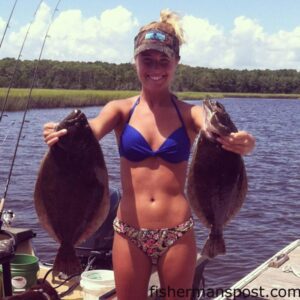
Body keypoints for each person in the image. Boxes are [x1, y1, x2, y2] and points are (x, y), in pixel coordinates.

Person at [43, 10, 255, 300]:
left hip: (177, 231)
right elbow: (88, 130)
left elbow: (221, 134)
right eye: (147, 59)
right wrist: (60, 132)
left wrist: (245, 142)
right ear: (135, 61)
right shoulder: (119, 110)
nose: (156, 67)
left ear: (176, 63)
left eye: (164, 60)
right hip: (128, 231)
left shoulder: (189, 113)